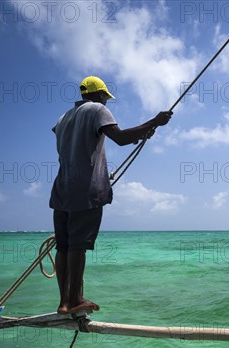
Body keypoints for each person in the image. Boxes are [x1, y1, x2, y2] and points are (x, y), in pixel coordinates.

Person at [50, 75, 172, 314]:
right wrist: (155, 121)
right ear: (97, 95)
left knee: (63, 247)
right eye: (105, 97)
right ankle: (76, 299)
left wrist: (142, 132)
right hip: (85, 192)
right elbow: (122, 138)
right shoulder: (97, 110)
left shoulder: (63, 118)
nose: (106, 103)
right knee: (78, 246)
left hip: (61, 191)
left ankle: (64, 303)